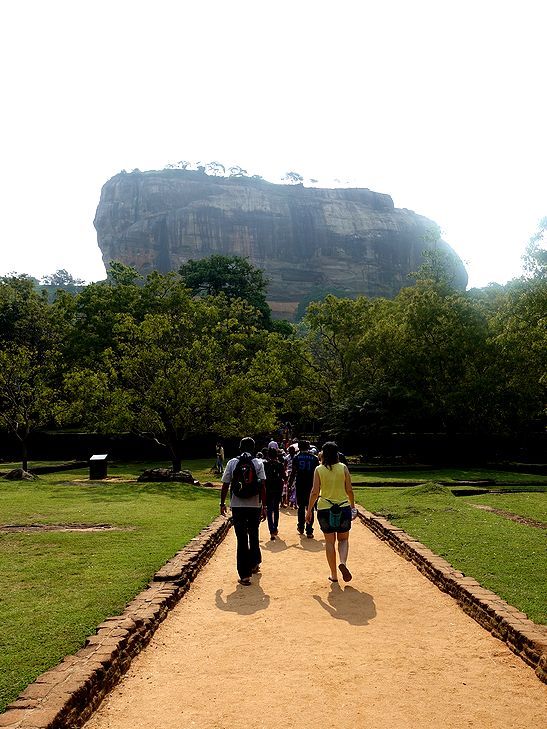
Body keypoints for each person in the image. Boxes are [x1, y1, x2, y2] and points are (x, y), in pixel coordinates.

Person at [306, 441, 357, 583]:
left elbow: (315, 492)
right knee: (344, 539)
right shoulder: (343, 468)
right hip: (343, 507)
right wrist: (352, 507)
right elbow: (349, 490)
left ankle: (334, 574)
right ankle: (343, 563)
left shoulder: (319, 469)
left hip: (324, 508)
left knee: (329, 542)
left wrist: (309, 510)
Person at [220, 437, 266, 586]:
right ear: (253, 448)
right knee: (253, 533)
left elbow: (226, 484)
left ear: (239, 448)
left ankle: (244, 575)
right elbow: (262, 486)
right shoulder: (258, 462)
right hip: (254, 505)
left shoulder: (232, 463)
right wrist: (263, 506)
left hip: (237, 505)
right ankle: (254, 563)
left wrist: (222, 503)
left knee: (241, 538)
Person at [288, 440, 319, 538]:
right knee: (310, 507)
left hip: (300, 484)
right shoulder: (314, 458)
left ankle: (301, 526)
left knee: (301, 506)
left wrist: (289, 484)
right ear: (309, 447)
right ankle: (309, 530)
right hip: (311, 485)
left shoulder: (296, 457)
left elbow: (293, 472)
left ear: (299, 448)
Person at [264, 446, 285, 539]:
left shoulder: (265, 465)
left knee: (269, 510)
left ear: (268, 455)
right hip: (277, 489)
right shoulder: (280, 465)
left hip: (268, 489)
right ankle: (275, 527)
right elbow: (284, 477)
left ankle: (271, 530)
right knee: (276, 509)